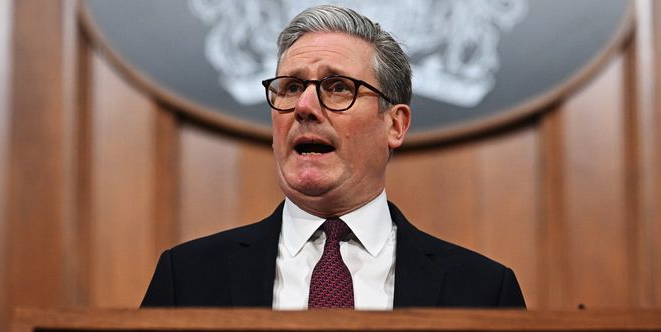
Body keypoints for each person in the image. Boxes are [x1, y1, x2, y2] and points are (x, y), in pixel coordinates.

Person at [141, 5, 525, 309]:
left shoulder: (484, 290)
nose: (305, 106)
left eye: (338, 87)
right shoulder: (186, 279)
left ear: (395, 125)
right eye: (290, 87)